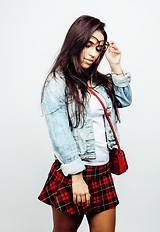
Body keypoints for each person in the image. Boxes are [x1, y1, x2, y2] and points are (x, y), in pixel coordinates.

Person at [38, 15, 132, 232]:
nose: (93, 53)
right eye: (88, 45)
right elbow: (59, 132)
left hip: (102, 172)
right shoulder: (57, 82)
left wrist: (116, 65)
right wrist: (77, 177)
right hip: (74, 174)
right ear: (75, 42)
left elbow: (124, 100)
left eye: (98, 48)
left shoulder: (98, 81)